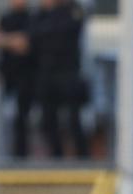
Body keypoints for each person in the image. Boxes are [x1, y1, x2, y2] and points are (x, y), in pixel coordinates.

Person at [31, 0, 89, 158]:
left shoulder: (74, 10)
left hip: (68, 74)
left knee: (73, 120)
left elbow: (63, 32)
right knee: (48, 120)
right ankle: (57, 158)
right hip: (47, 74)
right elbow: (33, 36)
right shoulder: (41, 13)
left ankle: (83, 159)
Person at [0, 0, 35, 157]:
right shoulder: (5, 18)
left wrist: (5, 40)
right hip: (6, 77)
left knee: (21, 120)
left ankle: (20, 157)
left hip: (25, 77)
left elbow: (25, 43)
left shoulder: (32, 18)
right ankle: (0, 155)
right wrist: (12, 41)